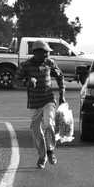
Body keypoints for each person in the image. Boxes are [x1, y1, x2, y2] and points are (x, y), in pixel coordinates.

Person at [13, 39, 66, 168]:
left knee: (49, 124)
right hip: (34, 103)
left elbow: (60, 77)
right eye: (45, 53)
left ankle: (50, 150)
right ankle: (42, 157)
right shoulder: (26, 65)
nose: (47, 55)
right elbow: (15, 81)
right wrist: (27, 83)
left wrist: (62, 95)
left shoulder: (50, 63)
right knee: (37, 132)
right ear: (36, 52)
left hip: (48, 99)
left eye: (48, 53)